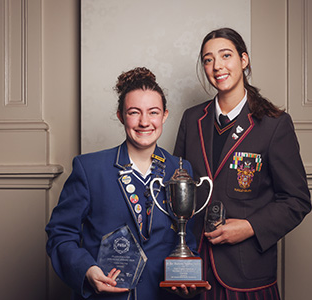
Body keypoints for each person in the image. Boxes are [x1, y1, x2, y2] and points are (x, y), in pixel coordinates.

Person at [173, 28, 312, 300]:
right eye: (208, 59)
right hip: (194, 268)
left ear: (244, 60)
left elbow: (297, 200)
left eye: (226, 55)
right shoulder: (192, 119)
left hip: (247, 273)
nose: (217, 66)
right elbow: (177, 188)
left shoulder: (274, 124)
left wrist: (249, 227)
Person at [46, 67, 202, 300]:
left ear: (165, 116)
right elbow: (60, 234)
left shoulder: (180, 169)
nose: (144, 122)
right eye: (134, 112)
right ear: (120, 116)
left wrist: (186, 280)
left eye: (153, 112)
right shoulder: (89, 168)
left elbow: (187, 238)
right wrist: (87, 270)